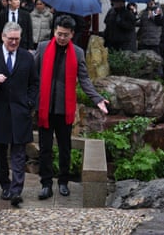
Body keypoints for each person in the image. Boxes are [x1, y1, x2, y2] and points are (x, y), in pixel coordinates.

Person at [35, 15, 109, 200]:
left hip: (64, 108)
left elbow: (84, 79)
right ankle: (45, 184)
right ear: (54, 31)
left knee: (65, 147)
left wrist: (97, 98)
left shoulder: (77, 52)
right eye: (59, 34)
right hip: (44, 107)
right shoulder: (43, 48)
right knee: (44, 148)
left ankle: (63, 182)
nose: (61, 38)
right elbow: (33, 74)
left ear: (72, 34)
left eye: (65, 35)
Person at [0, 22, 39, 207]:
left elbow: (34, 83)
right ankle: (5, 186)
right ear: (3, 37)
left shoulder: (27, 57)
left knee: (19, 151)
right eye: (10, 39)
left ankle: (16, 190)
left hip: (20, 111)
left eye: (16, 39)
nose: (13, 42)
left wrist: (29, 102)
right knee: (1, 152)